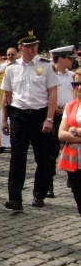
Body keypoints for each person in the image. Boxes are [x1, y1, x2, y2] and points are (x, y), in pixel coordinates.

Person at [1, 31, 59, 210]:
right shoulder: (12, 68)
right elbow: (6, 95)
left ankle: (39, 193)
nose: (33, 49)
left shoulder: (46, 66)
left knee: (42, 157)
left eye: (35, 45)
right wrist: (4, 120)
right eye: (29, 46)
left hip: (40, 114)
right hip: (18, 115)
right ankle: (15, 197)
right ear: (21, 48)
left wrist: (49, 118)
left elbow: (52, 93)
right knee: (17, 157)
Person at [49, 45, 76, 198]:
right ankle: (49, 184)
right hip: (55, 114)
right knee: (51, 150)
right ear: (61, 59)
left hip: (70, 115)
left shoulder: (72, 76)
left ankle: (71, 176)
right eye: (69, 58)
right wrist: (51, 108)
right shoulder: (49, 74)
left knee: (71, 147)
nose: (72, 61)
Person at [57, 68, 81, 216]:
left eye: (80, 83)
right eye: (75, 84)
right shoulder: (70, 105)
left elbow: (69, 132)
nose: (77, 87)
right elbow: (61, 134)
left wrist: (75, 130)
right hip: (74, 162)